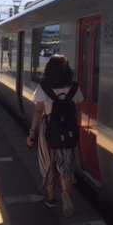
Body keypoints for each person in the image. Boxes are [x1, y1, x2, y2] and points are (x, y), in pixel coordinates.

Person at [26, 54, 84, 216]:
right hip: (68, 129)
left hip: (48, 128)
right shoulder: (74, 87)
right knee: (66, 162)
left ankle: (51, 199)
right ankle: (66, 193)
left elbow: (39, 111)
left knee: (48, 162)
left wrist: (32, 132)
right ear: (66, 69)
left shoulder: (43, 87)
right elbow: (77, 108)